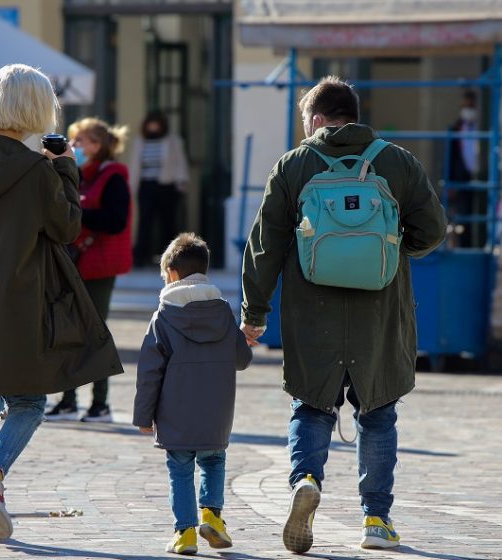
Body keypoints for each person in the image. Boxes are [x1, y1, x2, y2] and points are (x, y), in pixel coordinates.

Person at [239, 76, 447, 553]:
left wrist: (255, 313)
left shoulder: (294, 166)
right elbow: (433, 229)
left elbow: (264, 246)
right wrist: (393, 252)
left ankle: (305, 480)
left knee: (311, 406)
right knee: (378, 413)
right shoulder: (397, 162)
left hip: (313, 313)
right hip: (381, 311)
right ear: (353, 115)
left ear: (314, 120)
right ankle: (376, 519)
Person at [0, 64, 123, 542]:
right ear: (39, 109)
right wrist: (66, 164)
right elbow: (67, 228)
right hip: (18, 298)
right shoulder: (37, 168)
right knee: (30, 401)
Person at [133, 233, 252, 555]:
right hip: (216, 412)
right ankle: (212, 515)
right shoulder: (224, 312)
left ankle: (185, 533)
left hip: (176, 413)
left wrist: (143, 417)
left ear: (171, 273)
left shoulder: (164, 317)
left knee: (181, 470)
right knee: (214, 461)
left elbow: (149, 372)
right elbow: (242, 360)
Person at [44, 117, 132, 423]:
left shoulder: (113, 176)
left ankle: (100, 404)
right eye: (74, 141)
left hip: (99, 265)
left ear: (99, 145)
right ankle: (68, 401)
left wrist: (78, 212)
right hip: (74, 262)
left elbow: (115, 220)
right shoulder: (77, 173)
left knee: (94, 333)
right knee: (68, 332)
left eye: (82, 141)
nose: (76, 147)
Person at [129, 111, 190, 267]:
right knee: (145, 222)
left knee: (168, 223)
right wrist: (131, 186)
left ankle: (172, 257)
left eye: (156, 123)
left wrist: (181, 181)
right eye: (151, 123)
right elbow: (135, 165)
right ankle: (142, 257)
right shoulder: (140, 141)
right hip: (146, 185)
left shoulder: (172, 140)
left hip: (166, 186)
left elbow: (179, 161)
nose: (153, 126)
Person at [447, 89, 485, 247]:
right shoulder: (455, 129)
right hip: (462, 180)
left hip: (481, 179)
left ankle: (481, 244)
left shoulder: (482, 127)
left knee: (481, 216)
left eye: (471, 106)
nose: (468, 110)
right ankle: (465, 247)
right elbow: (450, 157)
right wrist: (450, 181)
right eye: (465, 106)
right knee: (463, 218)